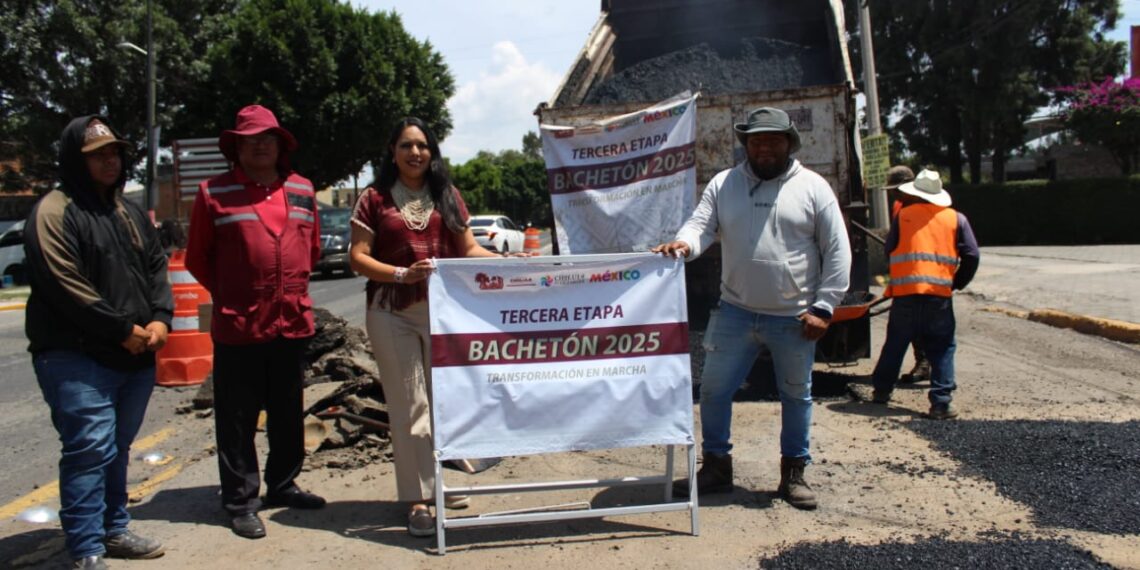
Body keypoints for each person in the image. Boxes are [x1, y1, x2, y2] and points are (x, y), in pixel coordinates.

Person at [653, 107, 851, 510]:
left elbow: (837, 251)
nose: (763, 147)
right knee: (712, 390)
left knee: (796, 396)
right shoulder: (724, 183)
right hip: (735, 311)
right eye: (756, 140)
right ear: (745, 143)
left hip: (795, 317)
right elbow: (701, 226)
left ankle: (794, 474)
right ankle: (717, 468)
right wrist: (683, 245)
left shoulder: (813, 187)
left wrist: (825, 307)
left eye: (772, 140)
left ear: (788, 143)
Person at [348, 117, 511, 537]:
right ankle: (419, 500)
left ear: (432, 151)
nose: (415, 153)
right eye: (406, 145)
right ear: (392, 151)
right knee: (410, 407)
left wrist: (509, 263)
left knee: (445, 405)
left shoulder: (446, 194)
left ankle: (438, 480)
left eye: (422, 145)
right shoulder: (373, 198)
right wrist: (402, 274)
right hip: (391, 310)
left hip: (442, 313)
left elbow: (469, 248)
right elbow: (358, 258)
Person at [24, 116, 173, 569]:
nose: (111, 161)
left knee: (116, 448)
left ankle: (114, 527)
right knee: (89, 448)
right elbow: (64, 284)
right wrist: (121, 330)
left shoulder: (127, 211)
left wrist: (161, 320)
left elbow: (155, 267)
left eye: (114, 153)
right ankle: (86, 547)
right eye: (98, 155)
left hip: (135, 354)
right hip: (77, 356)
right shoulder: (55, 209)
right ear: (76, 159)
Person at [185, 105, 325, 540]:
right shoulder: (214, 193)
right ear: (238, 147)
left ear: (281, 145)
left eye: (268, 137)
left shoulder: (302, 189)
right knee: (238, 419)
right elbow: (197, 259)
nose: (261, 144)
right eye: (251, 139)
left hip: (291, 323)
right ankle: (242, 501)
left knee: (287, 412)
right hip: (240, 326)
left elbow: (313, 249)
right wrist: (234, 294)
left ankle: (282, 484)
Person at [870, 169, 980, 419]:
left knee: (895, 342)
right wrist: (956, 282)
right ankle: (941, 403)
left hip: (906, 294)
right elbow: (972, 255)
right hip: (938, 295)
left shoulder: (902, 216)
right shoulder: (956, 219)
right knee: (941, 347)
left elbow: (890, 251)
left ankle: (881, 392)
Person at [883, 165, 931, 384]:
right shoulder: (899, 207)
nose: (894, 193)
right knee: (914, 327)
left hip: (929, 277)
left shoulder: (928, 206)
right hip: (908, 278)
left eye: (896, 189)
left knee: (921, 327)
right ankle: (926, 365)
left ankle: (931, 368)